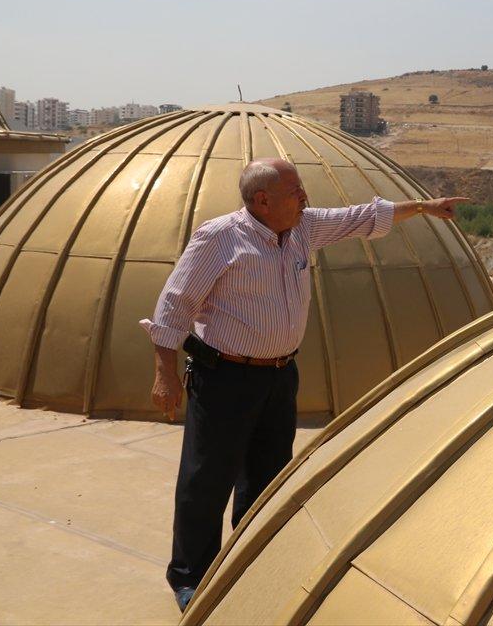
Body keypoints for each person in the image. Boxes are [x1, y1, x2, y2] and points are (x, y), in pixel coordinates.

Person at [139, 157, 467, 613]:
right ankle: (191, 577)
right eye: (295, 191)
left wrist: (426, 207)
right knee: (206, 480)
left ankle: (248, 562)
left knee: (266, 479)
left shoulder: (302, 228)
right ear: (262, 200)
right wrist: (164, 373)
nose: (304, 197)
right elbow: (175, 304)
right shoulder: (219, 238)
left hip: (278, 376)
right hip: (224, 379)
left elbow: (362, 217)